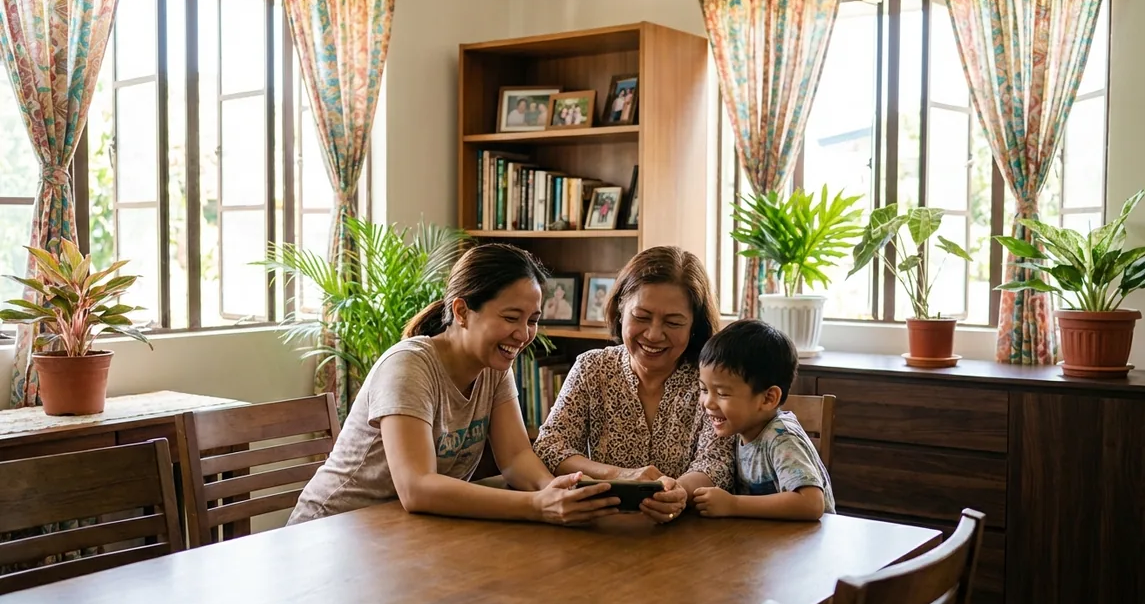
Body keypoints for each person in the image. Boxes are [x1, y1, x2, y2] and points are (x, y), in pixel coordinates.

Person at [288, 244, 621, 526]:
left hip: (404, 532)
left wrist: (552, 490)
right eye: (510, 317)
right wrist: (536, 506)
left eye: (532, 320)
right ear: (462, 311)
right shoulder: (409, 366)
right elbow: (417, 487)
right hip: (332, 529)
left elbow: (516, 456)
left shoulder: (493, 366)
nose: (523, 334)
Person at [533, 246, 733, 524]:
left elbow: (716, 460)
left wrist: (679, 493)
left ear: (694, 327)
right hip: (599, 528)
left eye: (673, 322)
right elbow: (551, 445)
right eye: (641, 317)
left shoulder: (712, 380)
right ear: (620, 311)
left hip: (688, 533)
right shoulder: (592, 368)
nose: (653, 334)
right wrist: (615, 474)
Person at [692, 319, 835, 521]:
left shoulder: (782, 438)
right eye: (704, 390)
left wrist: (733, 504)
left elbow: (811, 503)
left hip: (807, 545)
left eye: (722, 393)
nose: (708, 402)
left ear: (768, 398)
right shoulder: (741, 429)